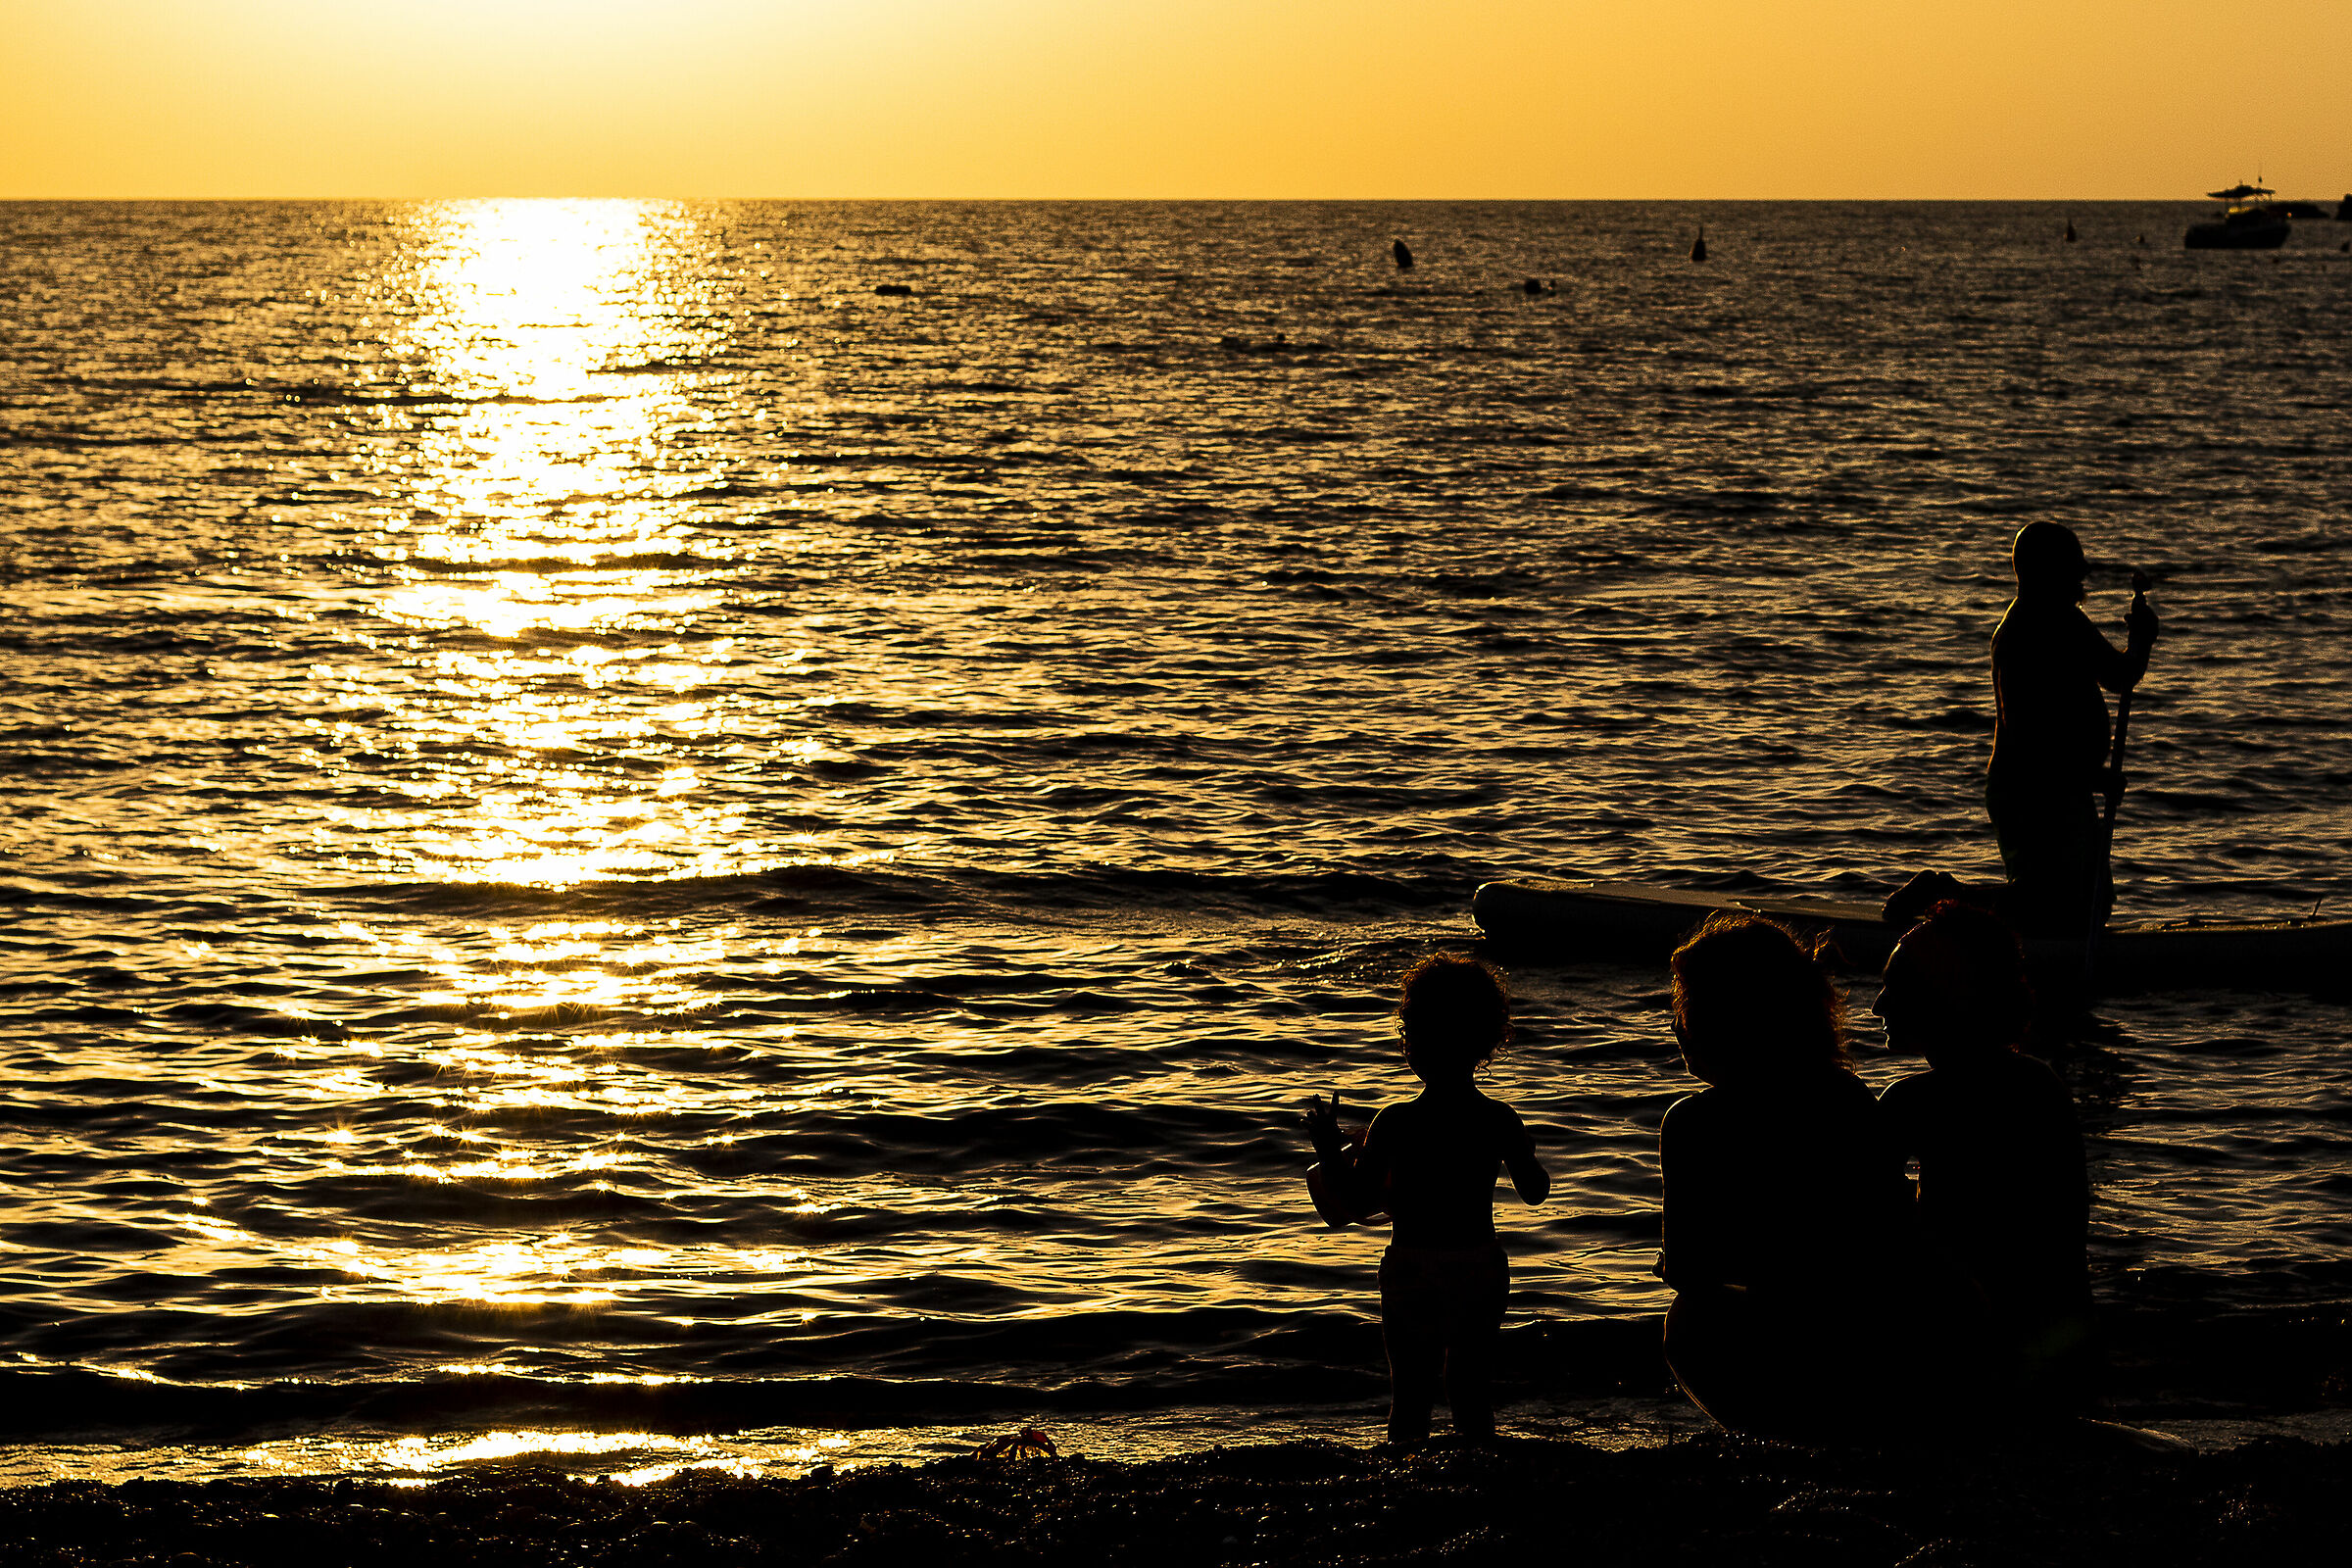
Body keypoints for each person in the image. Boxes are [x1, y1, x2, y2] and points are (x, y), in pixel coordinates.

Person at [1656, 912, 1953, 1440]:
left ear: (1709, 1020)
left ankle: (1779, 1435)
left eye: (1682, 1007)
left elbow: (1690, 1270)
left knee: (1690, 1317)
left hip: (1800, 1352)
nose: (1675, 1024)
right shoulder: (1849, 1097)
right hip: (1895, 1342)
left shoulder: (1694, 1122)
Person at [1304, 953, 1549, 1447]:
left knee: (1411, 1392)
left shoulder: (1394, 1122)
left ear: (1411, 1041)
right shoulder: (1498, 1118)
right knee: (1470, 1388)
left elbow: (1356, 1199)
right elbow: (1536, 1192)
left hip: (1412, 1268)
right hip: (1478, 1266)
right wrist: (1523, 1153)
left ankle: (1404, 1480)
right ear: (1486, 1040)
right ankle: (1479, 1473)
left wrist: (1331, 1153)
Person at [1876, 900, 2094, 1412]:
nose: (1877, 1005)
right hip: (2063, 1355)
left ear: (1948, 996)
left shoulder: (1916, 1102)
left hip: (1975, 1357)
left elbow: (1846, 1207)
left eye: (1896, 986)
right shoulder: (2039, 1084)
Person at [1987, 521, 2158, 936]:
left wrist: (2141, 641)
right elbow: (2028, 737)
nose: (2082, 577)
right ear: (2043, 571)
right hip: (2028, 792)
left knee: (2089, 901)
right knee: (2045, 903)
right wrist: (2094, 776)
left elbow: (2119, 676)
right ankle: (1943, 897)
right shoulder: (2019, 636)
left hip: (2068, 789)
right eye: (2072, 567)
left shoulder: (2067, 622)